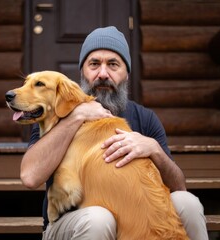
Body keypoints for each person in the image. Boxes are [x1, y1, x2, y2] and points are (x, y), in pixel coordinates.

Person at [21, 26, 208, 240]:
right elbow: (30, 177)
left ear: (126, 73)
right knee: (100, 218)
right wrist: (76, 117)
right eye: (94, 64)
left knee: (188, 203)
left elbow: (178, 186)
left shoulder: (144, 118)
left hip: (138, 223)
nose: (102, 74)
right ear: (82, 71)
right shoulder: (56, 113)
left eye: (112, 64)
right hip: (73, 225)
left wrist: (154, 149)